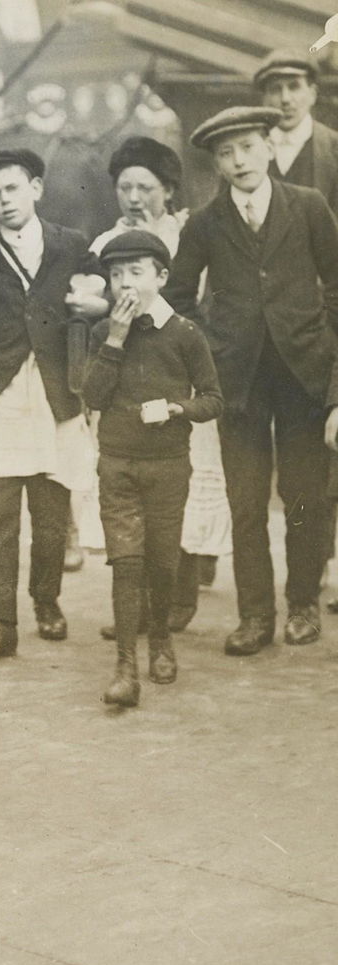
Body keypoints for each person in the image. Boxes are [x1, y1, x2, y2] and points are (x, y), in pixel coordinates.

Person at [162, 106, 338, 655]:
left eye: (246, 147)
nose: (238, 161)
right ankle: (255, 615)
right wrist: (209, 352)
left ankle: (303, 605)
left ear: (268, 146)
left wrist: (332, 370)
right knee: (245, 502)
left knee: (305, 497)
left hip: (304, 377)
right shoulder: (205, 223)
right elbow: (177, 298)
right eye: (225, 153)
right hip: (236, 385)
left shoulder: (307, 207)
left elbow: (337, 288)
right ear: (216, 162)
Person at [0, 148, 107, 663]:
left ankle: (46, 600)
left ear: (35, 188)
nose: (3, 201)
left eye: (11, 189)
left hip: (55, 395)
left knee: (52, 517)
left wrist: (94, 310)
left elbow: (107, 296)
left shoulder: (71, 246)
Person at [88, 136, 231, 635]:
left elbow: (210, 299)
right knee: (132, 494)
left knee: (182, 489)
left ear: (168, 190)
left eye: (144, 187)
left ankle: (178, 598)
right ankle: (140, 605)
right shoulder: (106, 244)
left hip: (180, 373)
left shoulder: (190, 234)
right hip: (126, 378)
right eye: (124, 186)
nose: (132, 197)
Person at [81, 230, 223, 707]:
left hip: (167, 466)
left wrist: (178, 409)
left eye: (135, 273)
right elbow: (93, 395)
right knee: (126, 563)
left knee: (162, 562)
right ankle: (125, 666)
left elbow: (213, 399)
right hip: (117, 463)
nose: (124, 284)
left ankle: (160, 639)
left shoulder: (184, 333)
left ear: (161, 277)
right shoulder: (103, 333)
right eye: (116, 274)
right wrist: (116, 340)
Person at [255, 50, 338, 214]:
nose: (285, 99)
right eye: (275, 89)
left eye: (294, 87)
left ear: (312, 94)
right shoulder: (247, 147)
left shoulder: (334, 148)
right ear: (264, 99)